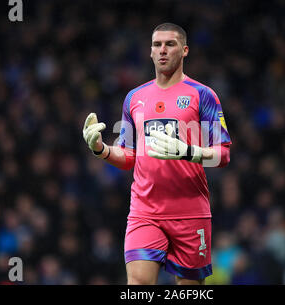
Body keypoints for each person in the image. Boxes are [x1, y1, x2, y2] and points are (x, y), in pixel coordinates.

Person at [82, 23, 231, 285]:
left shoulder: (203, 95)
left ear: (184, 50)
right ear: (150, 52)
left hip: (190, 211)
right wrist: (100, 149)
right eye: (157, 45)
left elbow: (223, 155)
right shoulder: (134, 98)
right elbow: (128, 157)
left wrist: (188, 152)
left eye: (170, 44)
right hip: (145, 211)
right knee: (138, 285)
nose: (162, 50)